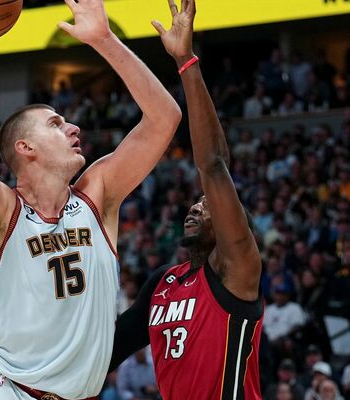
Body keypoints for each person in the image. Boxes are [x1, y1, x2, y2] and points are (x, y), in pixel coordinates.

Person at [0, 0, 180, 395]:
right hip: (6, 391)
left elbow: (165, 118)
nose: (74, 127)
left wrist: (104, 39)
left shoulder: (97, 196)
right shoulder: (2, 215)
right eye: (56, 123)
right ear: (25, 147)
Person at [109, 0, 263, 398]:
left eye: (208, 205)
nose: (197, 205)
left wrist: (185, 62)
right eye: (196, 202)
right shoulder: (162, 284)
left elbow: (213, 165)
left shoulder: (237, 265)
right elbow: (109, 351)